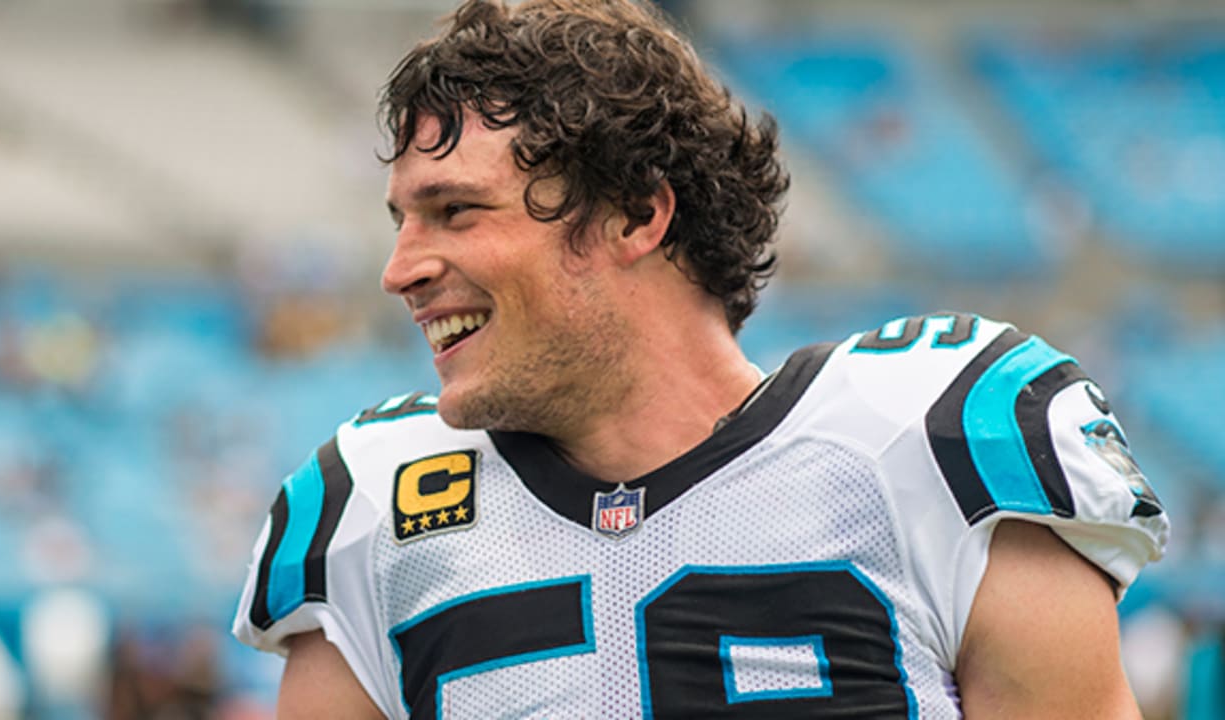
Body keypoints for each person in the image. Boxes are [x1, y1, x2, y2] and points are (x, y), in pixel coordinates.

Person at [231, 1, 1170, 717]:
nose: (399, 271)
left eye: (456, 211)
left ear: (639, 214)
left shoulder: (931, 444)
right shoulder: (371, 508)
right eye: (400, 219)